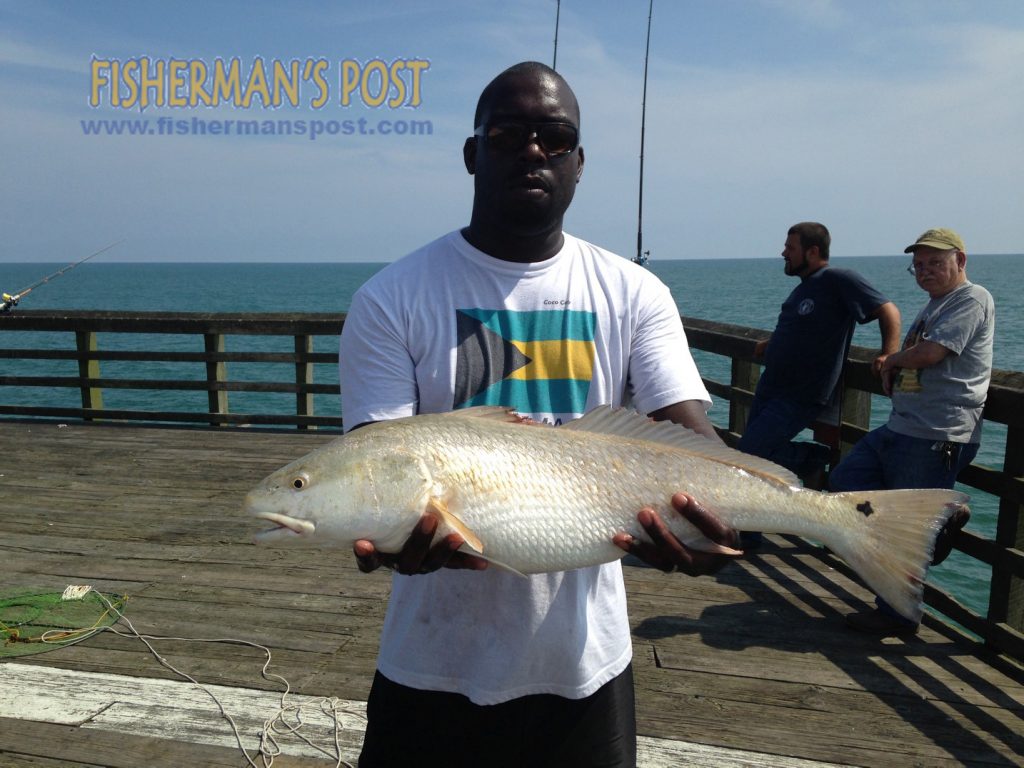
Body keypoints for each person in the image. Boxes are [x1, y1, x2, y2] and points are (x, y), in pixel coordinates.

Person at [338, 62, 738, 767]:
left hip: (584, 667)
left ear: (579, 164)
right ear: (472, 153)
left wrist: (739, 520)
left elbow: (690, 437)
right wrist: (385, 530)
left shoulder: (635, 293)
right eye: (508, 133)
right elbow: (375, 464)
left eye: (555, 137)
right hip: (428, 664)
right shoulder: (390, 296)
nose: (532, 150)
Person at [830, 227, 994, 635]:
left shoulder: (973, 298)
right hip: (901, 427)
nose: (925, 271)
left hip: (936, 434)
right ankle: (945, 516)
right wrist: (895, 366)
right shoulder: (933, 306)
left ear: (961, 260)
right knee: (845, 485)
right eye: (918, 265)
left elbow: (933, 353)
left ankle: (897, 615)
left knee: (908, 532)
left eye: (936, 262)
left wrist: (894, 359)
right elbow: (915, 359)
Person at [738, 222, 901, 484]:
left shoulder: (838, 279)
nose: (783, 253)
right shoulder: (804, 287)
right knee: (752, 459)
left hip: (799, 393)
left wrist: (888, 355)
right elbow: (806, 326)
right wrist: (773, 343)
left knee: (749, 453)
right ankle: (750, 525)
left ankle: (812, 459)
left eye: (790, 248)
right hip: (771, 386)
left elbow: (888, 310)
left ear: (812, 252)